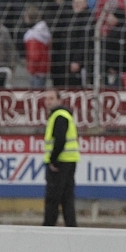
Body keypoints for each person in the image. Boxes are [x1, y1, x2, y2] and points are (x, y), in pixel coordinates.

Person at [42, 88, 80, 227]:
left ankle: (48, 227)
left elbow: (60, 140)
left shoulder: (59, 116)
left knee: (53, 198)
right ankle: (71, 227)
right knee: (67, 198)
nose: (48, 102)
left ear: (59, 100)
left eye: (51, 98)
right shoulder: (63, 115)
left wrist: (53, 160)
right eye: (46, 99)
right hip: (69, 160)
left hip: (61, 162)